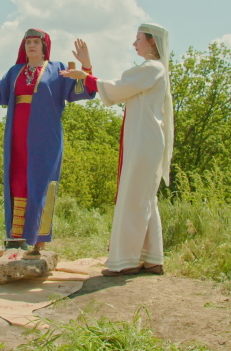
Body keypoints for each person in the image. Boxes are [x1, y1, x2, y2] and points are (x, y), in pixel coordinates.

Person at [59, 24, 174, 276]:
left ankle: (127, 262)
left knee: (133, 198)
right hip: (145, 139)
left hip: (145, 140)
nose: (134, 44)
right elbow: (117, 88)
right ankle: (152, 258)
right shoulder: (153, 69)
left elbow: (118, 88)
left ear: (153, 42)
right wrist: (88, 70)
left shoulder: (152, 67)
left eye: (138, 39)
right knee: (144, 198)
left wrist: (86, 76)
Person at [0, 29, 95, 256]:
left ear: (44, 47)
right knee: (18, 180)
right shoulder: (15, 71)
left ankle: (40, 240)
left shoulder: (58, 69)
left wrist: (87, 66)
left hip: (45, 137)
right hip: (17, 136)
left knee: (42, 183)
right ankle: (17, 236)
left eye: (36, 42)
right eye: (28, 42)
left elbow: (81, 91)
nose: (31, 46)